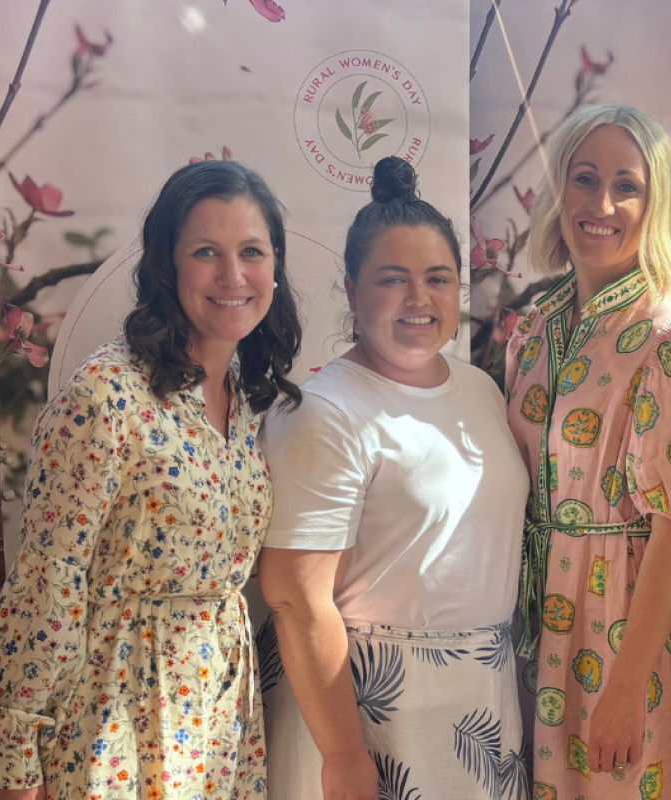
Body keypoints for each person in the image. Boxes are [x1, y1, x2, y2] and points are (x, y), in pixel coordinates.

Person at [0, 160, 303, 799]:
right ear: (166, 265)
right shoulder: (105, 398)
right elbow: (48, 579)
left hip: (219, 717)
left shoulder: (240, 401)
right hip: (116, 718)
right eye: (206, 252)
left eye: (252, 252)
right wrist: (15, 760)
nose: (233, 275)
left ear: (275, 268)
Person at [254, 156, 530, 800]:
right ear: (351, 291)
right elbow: (295, 598)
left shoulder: (482, 389)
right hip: (364, 707)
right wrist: (345, 755)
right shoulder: (323, 410)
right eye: (392, 279)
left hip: (480, 703)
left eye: (438, 278)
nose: (418, 299)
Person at [504, 104, 671, 800]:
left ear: (657, 200)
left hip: (628, 628)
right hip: (536, 619)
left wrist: (626, 685)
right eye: (583, 178)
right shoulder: (535, 328)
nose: (600, 203)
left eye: (626, 185)